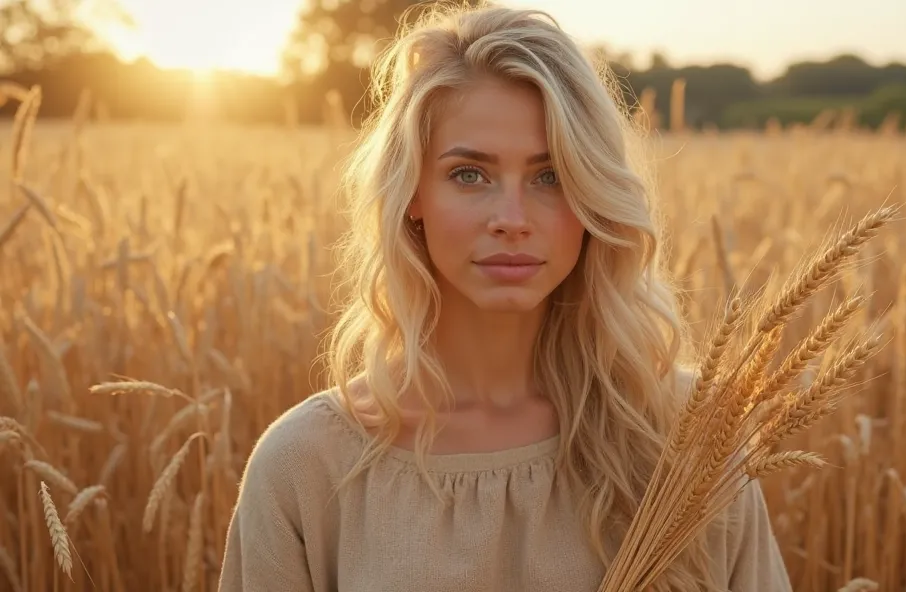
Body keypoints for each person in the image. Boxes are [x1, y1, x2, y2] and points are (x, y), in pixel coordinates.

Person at [217, 3, 792, 591]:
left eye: (552, 177)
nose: (512, 220)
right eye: (469, 174)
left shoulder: (686, 434)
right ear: (412, 192)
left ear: (594, 199)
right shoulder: (307, 466)